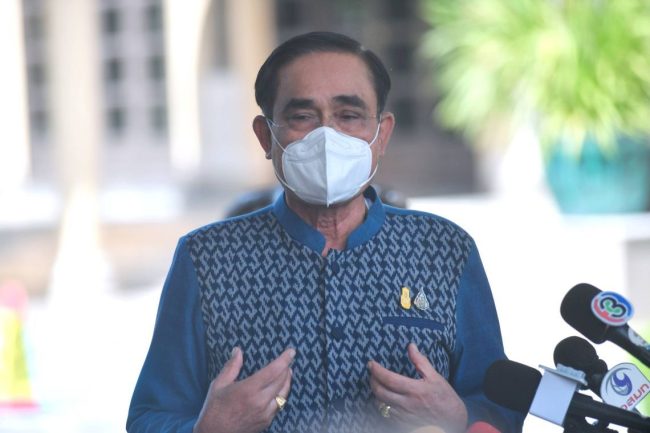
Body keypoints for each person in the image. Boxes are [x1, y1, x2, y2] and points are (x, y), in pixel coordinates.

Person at [126, 31, 524, 433]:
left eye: (349, 115)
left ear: (382, 134)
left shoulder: (445, 251)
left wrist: (459, 417)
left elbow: (504, 410)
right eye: (303, 117)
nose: (327, 136)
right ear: (266, 136)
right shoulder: (207, 258)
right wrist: (208, 429)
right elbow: (149, 418)